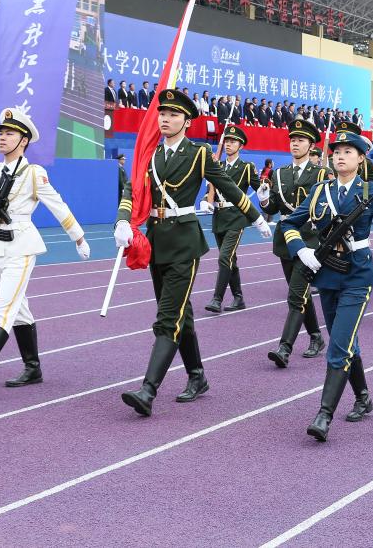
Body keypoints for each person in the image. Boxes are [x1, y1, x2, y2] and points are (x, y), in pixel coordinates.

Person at [115, 89, 271, 417]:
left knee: (167, 318)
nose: (165, 119)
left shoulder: (199, 153)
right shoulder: (150, 153)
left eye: (173, 115)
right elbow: (133, 189)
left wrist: (256, 217)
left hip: (185, 243)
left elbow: (227, 186)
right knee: (180, 314)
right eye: (162, 114)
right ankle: (197, 376)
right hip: (157, 241)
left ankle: (148, 390)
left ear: (187, 121)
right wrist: (123, 220)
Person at [280, 129, 373, 441]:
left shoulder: (370, 191)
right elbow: (289, 223)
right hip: (326, 273)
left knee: (338, 347)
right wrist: (302, 251)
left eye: (348, 151)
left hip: (358, 275)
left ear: (361, 158)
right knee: (346, 341)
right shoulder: (320, 191)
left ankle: (324, 415)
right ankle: (363, 396)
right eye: (336, 152)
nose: (340, 156)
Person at [0, 106, 91, 396]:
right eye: (1, 133)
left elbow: (58, 206)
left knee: (2, 308)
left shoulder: (33, 174)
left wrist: (79, 238)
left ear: (24, 140)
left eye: (10, 133)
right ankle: (33, 367)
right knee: (19, 309)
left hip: (21, 247)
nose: (2, 138)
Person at [257, 119, 330, 368]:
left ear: (311, 145)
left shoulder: (320, 174)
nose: (295, 144)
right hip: (285, 239)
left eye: (301, 140)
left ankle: (284, 347)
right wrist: (264, 200)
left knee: (295, 294)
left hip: (309, 238)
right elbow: (275, 208)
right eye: (293, 140)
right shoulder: (280, 173)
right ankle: (316, 336)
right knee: (301, 293)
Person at [203, 124, 260, 313]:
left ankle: (217, 299)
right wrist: (206, 200)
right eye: (227, 141)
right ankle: (238, 298)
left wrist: (267, 192)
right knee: (230, 260)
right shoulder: (217, 166)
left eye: (233, 142)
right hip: (219, 216)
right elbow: (210, 190)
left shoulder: (246, 167)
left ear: (240, 146)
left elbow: (260, 189)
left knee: (224, 257)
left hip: (237, 216)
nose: (228, 144)